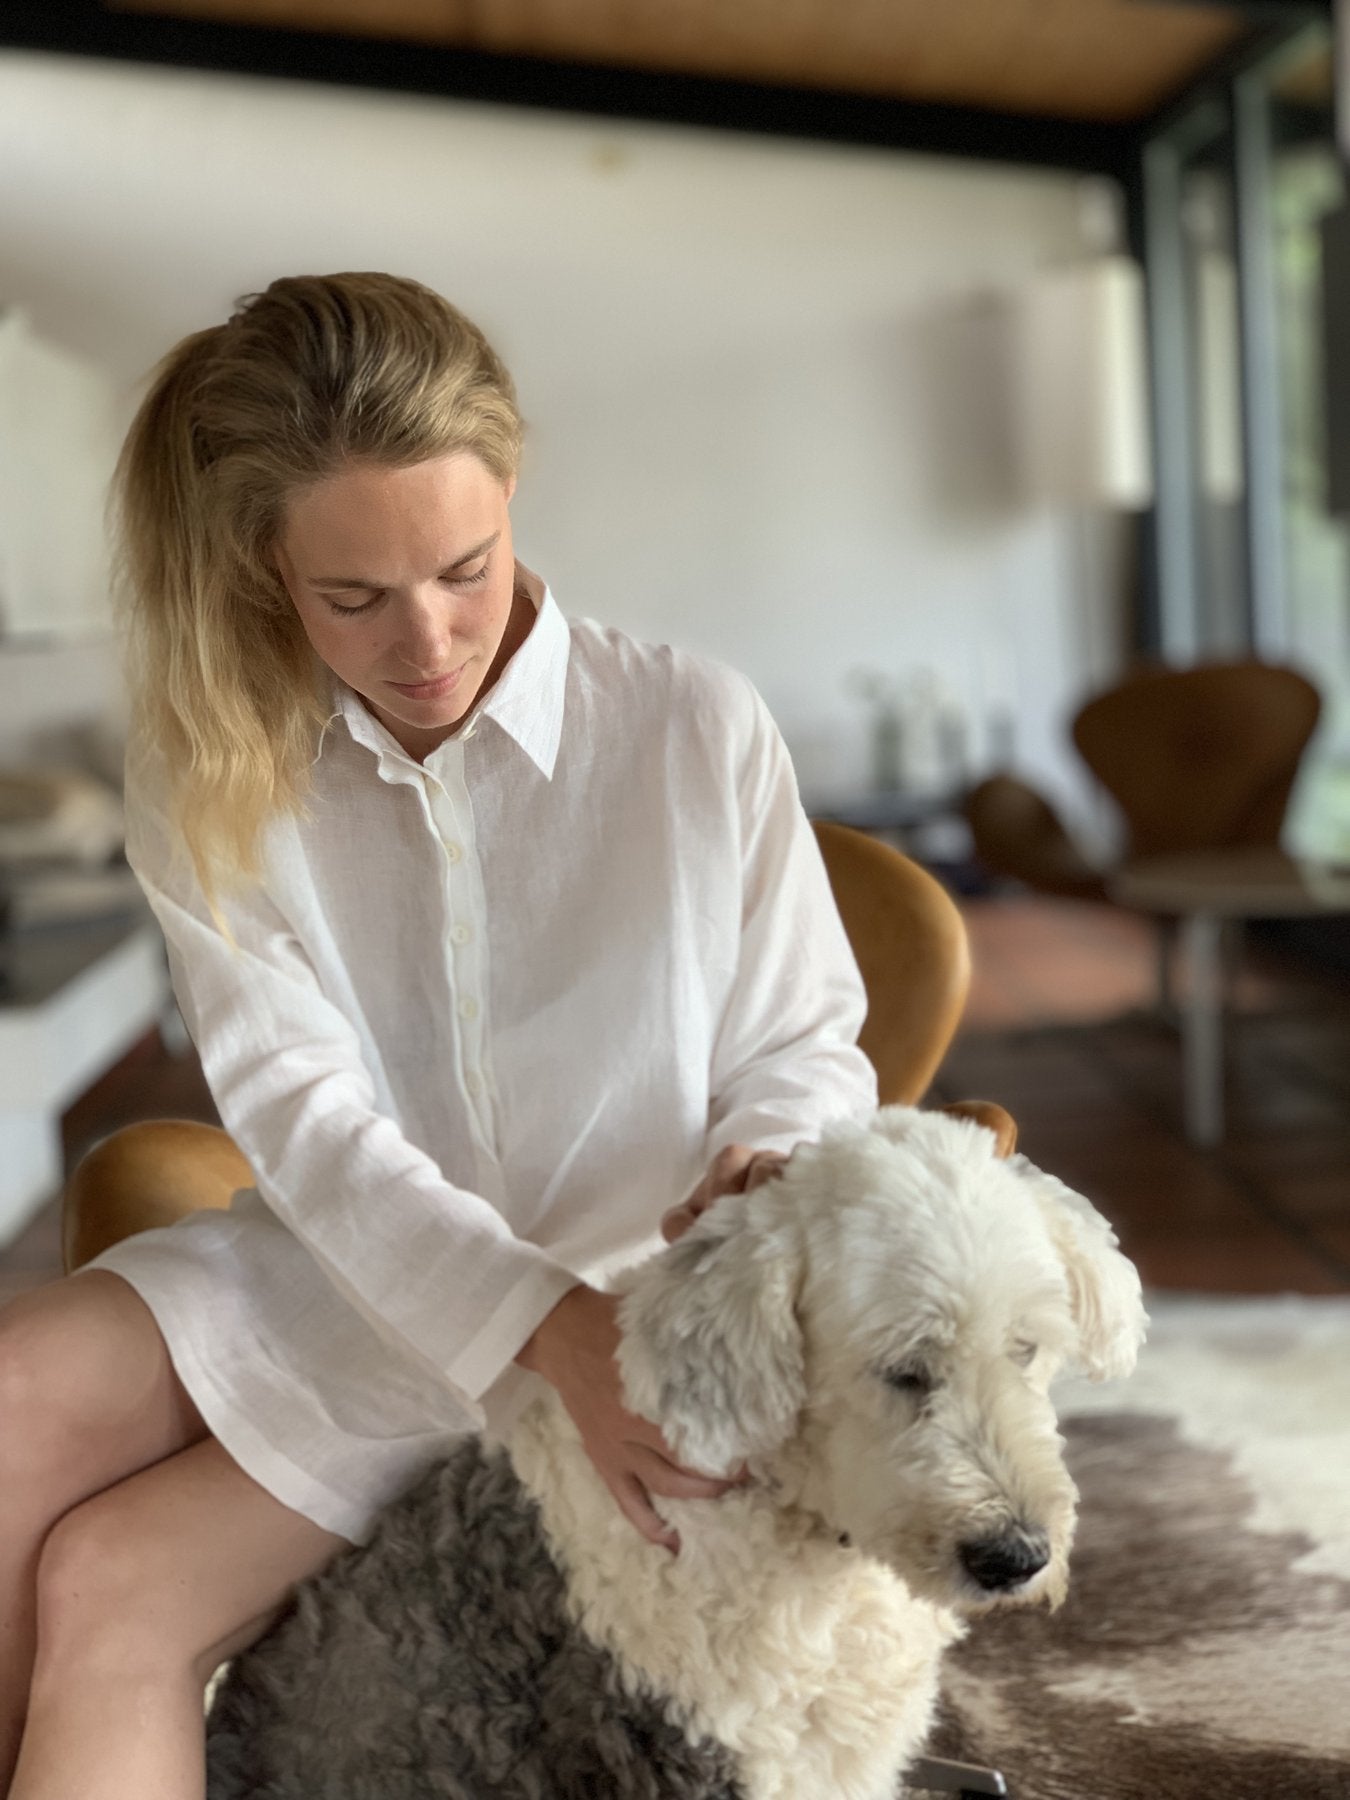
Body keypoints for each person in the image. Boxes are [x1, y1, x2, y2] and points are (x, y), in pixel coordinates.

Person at [0, 272, 884, 1800]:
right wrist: (530, 1320)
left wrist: (767, 1156)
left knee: (113, 1588)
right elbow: (298, 1115)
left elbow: (805, 1038)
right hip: (349, 1262)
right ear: (260, 569)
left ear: (512, 490)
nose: (427, 640)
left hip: (613, 1295)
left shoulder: (691, 726)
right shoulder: (213, 761)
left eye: (465, 568)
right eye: (353, 598)